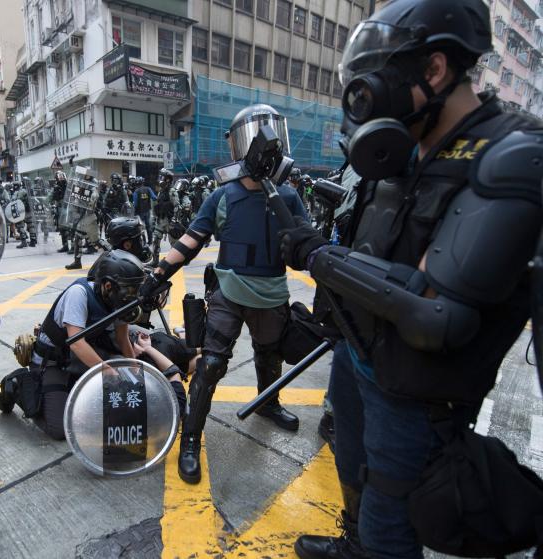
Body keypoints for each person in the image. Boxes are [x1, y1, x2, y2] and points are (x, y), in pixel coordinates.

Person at [279, 1, 543, 556]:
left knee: (390, 517)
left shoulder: (509, 154)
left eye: (377, 82)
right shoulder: (403, 150)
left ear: (434, 70)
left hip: (418, 393)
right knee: (351, 465)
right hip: (359, 355)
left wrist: (315, 254)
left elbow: (432, 312)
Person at [140, 104, 309, 484]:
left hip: (271, 292)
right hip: (229, 291)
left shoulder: (288, 197)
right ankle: (190, 441)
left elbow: (305, 248)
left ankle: (268, 404)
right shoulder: (222, 196)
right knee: (211, 364)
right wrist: (159, 272)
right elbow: (191, 240)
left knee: (270, 353)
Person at [23, 250, 145, 439]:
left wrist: (134, 368)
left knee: (123, 379)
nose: (132, 294)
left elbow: (122, 339)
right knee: (60, 429)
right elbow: (77, 343)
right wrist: (108, 371)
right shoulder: (78, 294)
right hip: (54, 361)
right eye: (128, 289)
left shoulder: (118, 300)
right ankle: (17, 387)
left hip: (80, 358)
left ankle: (73, 386)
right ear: (107, 285)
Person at [65, 170, 100, 270]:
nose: (86, 175)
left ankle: (113, 257)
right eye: (85, 174)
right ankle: (77, 262)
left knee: (96, 242)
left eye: (88, 174)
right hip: (81, 216)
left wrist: (91, 201)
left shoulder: (93, 183)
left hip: (89, 216)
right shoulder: (80, 183)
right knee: (78, 238)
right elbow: (74, 193)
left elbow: (95, 195)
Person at [150, 168, 176, 263]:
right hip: (160, 220)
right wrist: (154, 217)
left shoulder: (172, 191)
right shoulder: (161, 191)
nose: (160, 178)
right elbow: (157, 205)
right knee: (155, 240)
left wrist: (174, 220)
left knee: (174, 244)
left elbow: (177, 206)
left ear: (167, 179)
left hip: (169, 221)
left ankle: (175, 261)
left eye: (162, 177)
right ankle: (155, 261)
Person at [50, 170, 71, 253]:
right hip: (66, 209)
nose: (60, 178)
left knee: (65, 228)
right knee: (65, 228)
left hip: (64, 209)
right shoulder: (67, 186)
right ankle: (67, 246)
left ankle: (68, 246)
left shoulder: (63, 186)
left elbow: (51, 197)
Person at [11, 179, 36, 249]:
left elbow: (14, 201)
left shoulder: (18, 192)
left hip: (22, 211)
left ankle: (24, 242)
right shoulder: (26, 190)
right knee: (31, 226)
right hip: (29, 211)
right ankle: (33, 241)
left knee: (20, 226)